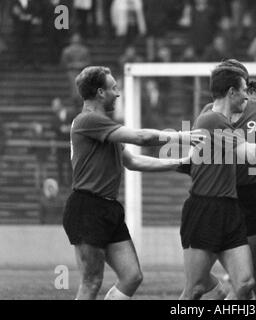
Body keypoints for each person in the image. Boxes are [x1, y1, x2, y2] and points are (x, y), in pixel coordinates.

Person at [63, 66, 204, 300]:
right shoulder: (88, 120)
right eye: (114, 88)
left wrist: (181, 163)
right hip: (86, 208)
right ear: (100, 92)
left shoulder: (104, 127)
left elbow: (132, 161)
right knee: (91, 282)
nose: (118, 94)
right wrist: (182, 136)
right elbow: (142, 137)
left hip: (108, 208)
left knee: (132, 276)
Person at [179, 62, 256, 300]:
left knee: (245, 282)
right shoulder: (211, 119)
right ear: (232, 91)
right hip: (206, 206)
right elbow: (246, 153)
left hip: (235, 204)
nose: (247, 93)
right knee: (195, 288)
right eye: (244, 88)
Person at [61, 33, 91, 107]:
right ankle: (75, 101)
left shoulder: (85, 50)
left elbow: (88, 62)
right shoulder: (66, 51)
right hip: (71, 72)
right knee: (74, 88)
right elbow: (64, 63)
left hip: (83, 71)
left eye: (77, 42)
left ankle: (80, 101)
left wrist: (80, 64)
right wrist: (73, 65)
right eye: (75, 43)